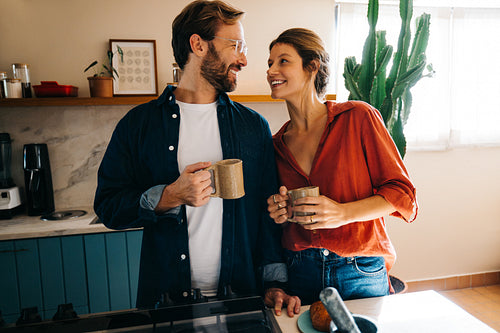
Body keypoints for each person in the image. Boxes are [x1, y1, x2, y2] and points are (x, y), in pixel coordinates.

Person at [94, 0, 300, 317]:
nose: (244, 59)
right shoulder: (139, 125)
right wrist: (168, 196)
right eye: (236, 46)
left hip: (241, 300)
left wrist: (275, 284)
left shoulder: (252, 127)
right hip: (166, 304)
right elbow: (108, 206)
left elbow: (265, 213)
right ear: (198, 44)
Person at [266, 28, 418, 305]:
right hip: (300, 269)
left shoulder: (358, 117)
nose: (271, 70)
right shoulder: (276, 145)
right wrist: (281, 211)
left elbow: (402, 194)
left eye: (283, 61)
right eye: (270, 63)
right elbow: (277, 222)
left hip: (359, 268)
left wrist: (343, 213)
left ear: (312, 67)